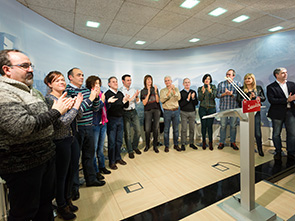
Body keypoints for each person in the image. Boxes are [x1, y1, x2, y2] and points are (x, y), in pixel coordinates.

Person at [0, 49, 70, 220]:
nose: (30, 69)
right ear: (7, 70)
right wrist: (57, 111)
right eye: (24, 66)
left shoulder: (32, 92)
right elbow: (21, 126)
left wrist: (65, 110)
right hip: (23, 165)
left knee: (45, 206)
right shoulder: (4, 93)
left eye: (31, 65)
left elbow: (49, 122)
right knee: (24, 213)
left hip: (45, 158)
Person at [44, 71, 83, 219]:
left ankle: (68, 199)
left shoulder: (65, 97)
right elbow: (60, 124)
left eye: (62, 80)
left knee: (72, 171)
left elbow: (77, 117)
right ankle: (61, 205)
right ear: (49, 84)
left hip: (71, 138)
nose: (61, 82)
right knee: (61, 175)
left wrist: (76, 105)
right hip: (59, 141)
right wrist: (74, 108)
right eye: (57, 80)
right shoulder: (50, 100)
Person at [65, 68, 105, 202]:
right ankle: (74, 188)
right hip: (76, 129)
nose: (82, 77)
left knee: (89, 155)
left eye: (82, 75)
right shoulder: (67, 92)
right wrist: (91, 98)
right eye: (78, 75)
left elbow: (95, 108)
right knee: (75, 160)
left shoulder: (86, 91)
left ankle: (91, 179)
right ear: (70, 77)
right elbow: (77, 112)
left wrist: (95, 98)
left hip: (89, 126)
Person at [85, 76, 111, 180]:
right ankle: (95, 171)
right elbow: (94, 109)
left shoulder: (102, 93)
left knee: (100, 148)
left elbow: (105, 108)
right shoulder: (89, 94)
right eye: (95, 84)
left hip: (103, 123)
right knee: (93, 149)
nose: (98, 85)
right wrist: (101, 101)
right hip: (94, 124)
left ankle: (102, 166)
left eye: (99, 83)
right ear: (90, 85)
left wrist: (107, 102)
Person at [267, 67, 295, 160]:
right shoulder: (271, 87)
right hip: (277, 113)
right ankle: (278, 151)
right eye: (283, 73)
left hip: (290, 112)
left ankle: (291, 151)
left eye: (286, 72)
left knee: (292, 133)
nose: (285, 74)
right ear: (277, 75)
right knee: (276, 133)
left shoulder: (292, 84)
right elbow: (272, 100)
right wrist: (287, 99)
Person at [237, 73, 266, 156]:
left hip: (255, 112)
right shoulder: (241, 89)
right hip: (245, 113)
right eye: (246, 79)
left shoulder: (258, 88)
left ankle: (260, 149)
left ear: (253, 79)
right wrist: (248, 99)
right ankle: (248, 149)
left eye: (249, 78)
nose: (247, 80)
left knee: (257, 132)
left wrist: (257, 97)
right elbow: (238, 99)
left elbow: (263, 98)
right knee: (247, 132)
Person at [105, 76, 129, 170]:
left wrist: (126, 100)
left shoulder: (120, 93)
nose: (115, 83)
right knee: (112, 142)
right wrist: (122, 102)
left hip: (120, 118)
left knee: (119, 141)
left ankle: (118, 158)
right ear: (109, 84)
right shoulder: (107, 94)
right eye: (113, 82)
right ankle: (112, 161)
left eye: (116, 81)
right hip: (112, 119)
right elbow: (110, 108)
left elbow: (124, 106)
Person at [216, 69, 242, 150]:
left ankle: (233, 142)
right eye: (227, 74)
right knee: (223, 126)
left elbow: (239, 97)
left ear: (233, 76)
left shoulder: (238, 84)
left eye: (229, 74)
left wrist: (231, 95)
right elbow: (217, 95)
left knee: (233, 126)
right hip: (223, 108)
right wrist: (224, 94)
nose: (227, 76)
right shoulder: (221, 84)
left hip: (234, 108)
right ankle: (221, 142)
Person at [121, 74, 142, 159]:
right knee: (128, 133)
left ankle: (135, 146)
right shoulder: (121, 91)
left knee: (138, 131)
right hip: (125, 113)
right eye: (128, 80)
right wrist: (132, 97)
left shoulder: (133, 90)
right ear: (123, 81)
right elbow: (124, 104)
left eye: (130, 80)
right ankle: (130, 150)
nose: (130, 82)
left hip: (134, 112)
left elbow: (138, 102)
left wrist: (136, 96)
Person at [140, 75, 161, 153]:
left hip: (156, 110)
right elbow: (144, 103)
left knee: (155, 128)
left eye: (151, 80)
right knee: (148, 129)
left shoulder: (155, 89)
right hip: (147, 111)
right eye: (148, 80)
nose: (149, 81)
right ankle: (147, 145)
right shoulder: (143, 91)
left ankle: (155, 145)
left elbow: (158, 101)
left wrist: (155, 92)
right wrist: (148, 93)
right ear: (145, 81)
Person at [160, 76, 181, 152]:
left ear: (171, 81)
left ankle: (176, 145)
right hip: (167, 111)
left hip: (176, 111)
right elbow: (162, 100)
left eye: (168, 80)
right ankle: (166, 146)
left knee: (176, 129)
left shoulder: (176, 89)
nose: (167, 82)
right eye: (166, 81)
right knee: (166, 130)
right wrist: (169, 92)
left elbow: (178, 98)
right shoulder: (162, 91)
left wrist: (174, 91)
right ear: (164, 82)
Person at [198, 74, 217, 151]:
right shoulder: (200, 88)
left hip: (211, 109)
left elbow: (214, 97)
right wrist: (202, 92)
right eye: (205, 79)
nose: (207, 80)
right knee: (203, 126)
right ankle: (203, 142)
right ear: (203, 80)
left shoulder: (213, 87)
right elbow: (199, 98)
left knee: (209, 126)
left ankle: (210, 142)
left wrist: (210, 91)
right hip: (202, 109)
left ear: (210, 80)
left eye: (208, 79)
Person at [179, 78, 198, 151]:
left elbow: (196, 103)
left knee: (192, 129)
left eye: (188, 82)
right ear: (183, 84)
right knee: (183, 129)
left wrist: (193, 98)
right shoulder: (181, 93)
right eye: (185, 82)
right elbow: (181, 104)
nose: (187, 84)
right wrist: (188, 99)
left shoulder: (193, 92)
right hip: (183, 112)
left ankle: (191, 143)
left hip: (192, 112)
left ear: (190, 83)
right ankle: (183, 143)